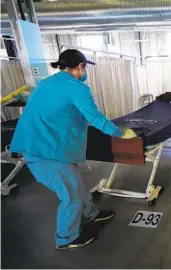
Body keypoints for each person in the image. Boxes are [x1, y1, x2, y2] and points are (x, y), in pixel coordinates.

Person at [10, 49, 137, 250]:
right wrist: (121, 134)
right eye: (85, 67)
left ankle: (91, 214)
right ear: (80, 67)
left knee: (76, 183)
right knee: (71, 195)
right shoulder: (76, 88)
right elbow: (95, 118)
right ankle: (66, 238)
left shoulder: (45, 83)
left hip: (39, 143)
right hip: (46, 151)